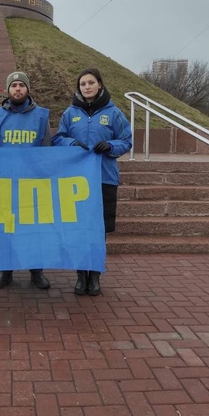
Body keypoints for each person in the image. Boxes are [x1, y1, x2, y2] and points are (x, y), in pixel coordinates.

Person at [52, 68, 132, 296]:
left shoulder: (114, 113)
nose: (86, 87)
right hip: (76, 181)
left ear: (99, 85)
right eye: (82, 84)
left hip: (104, 178)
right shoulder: (70, 113)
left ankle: (94, 275)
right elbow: (59, 138)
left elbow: (126, 140)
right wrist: (71, 145)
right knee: (78, 229)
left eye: (90, 83)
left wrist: (111, 146)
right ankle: (80, 275)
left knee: (99, 230)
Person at [0, 70, 52, 290]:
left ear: (27, 89)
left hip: (32, 183)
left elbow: (47, 147)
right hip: (6, 183)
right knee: (6, 227)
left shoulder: (41, 115)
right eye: (13, 86)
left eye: (21, 85)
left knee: (34, 228)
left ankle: (36, 270)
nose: (17, 89)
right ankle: (5, 270)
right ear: (7, 90)